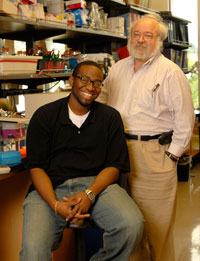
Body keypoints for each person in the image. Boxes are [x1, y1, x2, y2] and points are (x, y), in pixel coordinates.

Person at [20, 60, 144, 261]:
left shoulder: (110, 117)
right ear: (71, 80)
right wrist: (55, 204)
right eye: (84, 79)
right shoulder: (44, 115)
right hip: (50, 186)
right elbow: (36, 168)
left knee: (131, 225)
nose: (91, 87)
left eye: (97, 82)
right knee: (33, 250)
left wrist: (90, 194)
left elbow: (114, 166)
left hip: (97, 185)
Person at [97, 14, 195, 261]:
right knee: (126, 226)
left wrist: (171, 156)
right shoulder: (118, 68)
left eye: (148, 35)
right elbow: (101, 103)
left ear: (159, 39)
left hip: (154, 154)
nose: (140, 40)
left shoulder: (170, 73)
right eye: (136, 34)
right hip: (118, 154)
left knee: (156, 227)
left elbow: (185, 121)